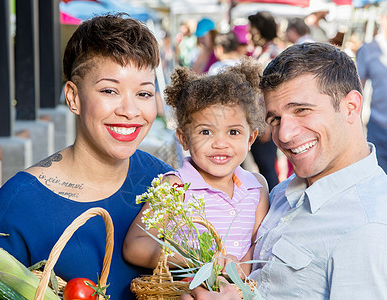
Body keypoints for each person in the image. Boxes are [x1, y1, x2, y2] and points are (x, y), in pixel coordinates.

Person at [0, 13, 173, 299]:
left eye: (143, 94)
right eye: (109, 90)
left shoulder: (163, 183)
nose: (130, 111)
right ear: (73, 97)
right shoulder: (17, 206)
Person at [181, 42, 387, 299]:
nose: (285, 134)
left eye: (302, 110)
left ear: (351, 108)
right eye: (275, 119)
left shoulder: (370, 227)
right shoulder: (283, 192)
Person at [123, 57, 270, 277]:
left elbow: (260, 243)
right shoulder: (175, 186)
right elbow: (134, 246)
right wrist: (199, 257)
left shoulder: (257, 186)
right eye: (205, 132)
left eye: (233, 132)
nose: (220, 143)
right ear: (183, 138)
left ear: (251, 138)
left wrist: (240, 271)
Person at [246, 11, 281, 190]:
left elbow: (272, 91)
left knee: (267, 168)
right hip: (257, 120)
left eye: (252, 29)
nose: (249, 33)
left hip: (264, 122)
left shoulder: (274, 54)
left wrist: (267, 123)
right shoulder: (261, 51)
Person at [356, 2, 387, 173]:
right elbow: (356, 88)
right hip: (379, 126)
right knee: (380, 178)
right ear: (383, 19)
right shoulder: (369, 50)